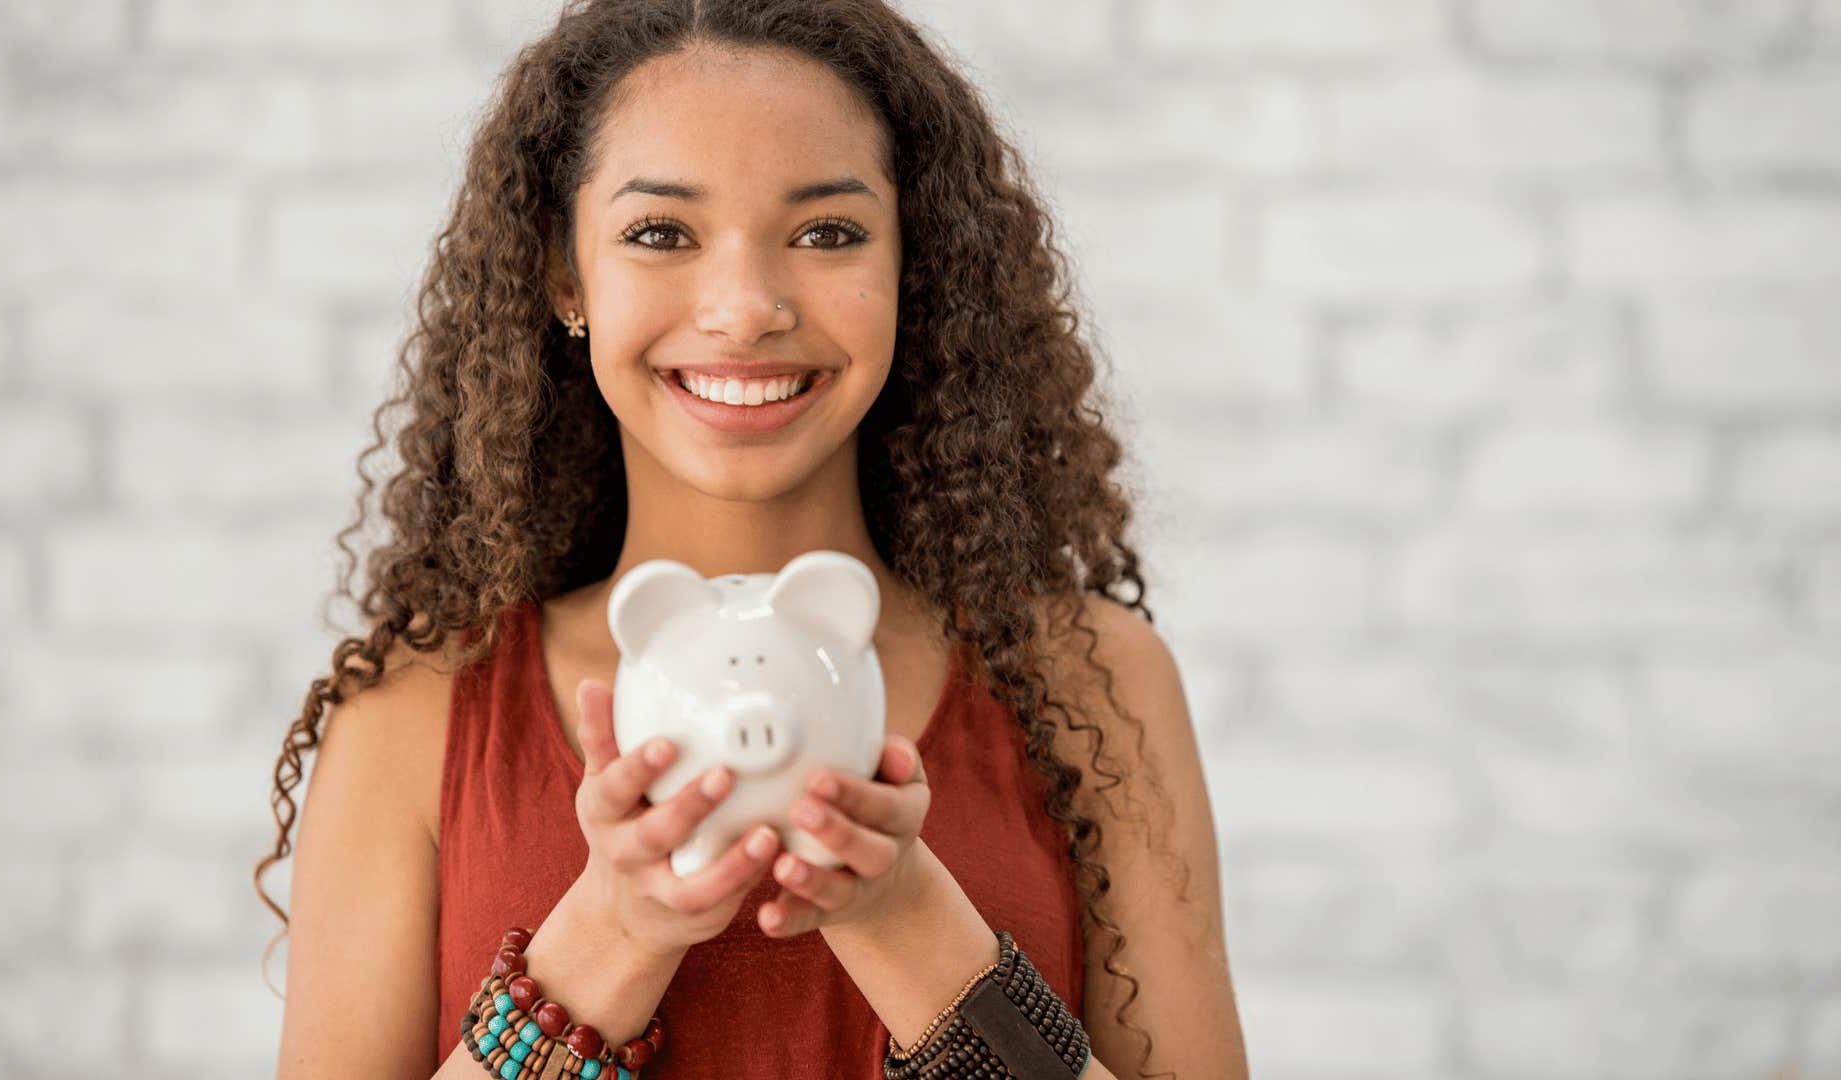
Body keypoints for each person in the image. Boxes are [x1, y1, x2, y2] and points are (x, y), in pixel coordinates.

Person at [255, 2, 1247, 1077]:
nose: (746, 307)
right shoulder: (415, 717)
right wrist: (618, 928)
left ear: (915, 265)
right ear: (565, 276)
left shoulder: (1095, 687)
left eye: (827, 233)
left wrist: (900, 912)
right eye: (660, 233)